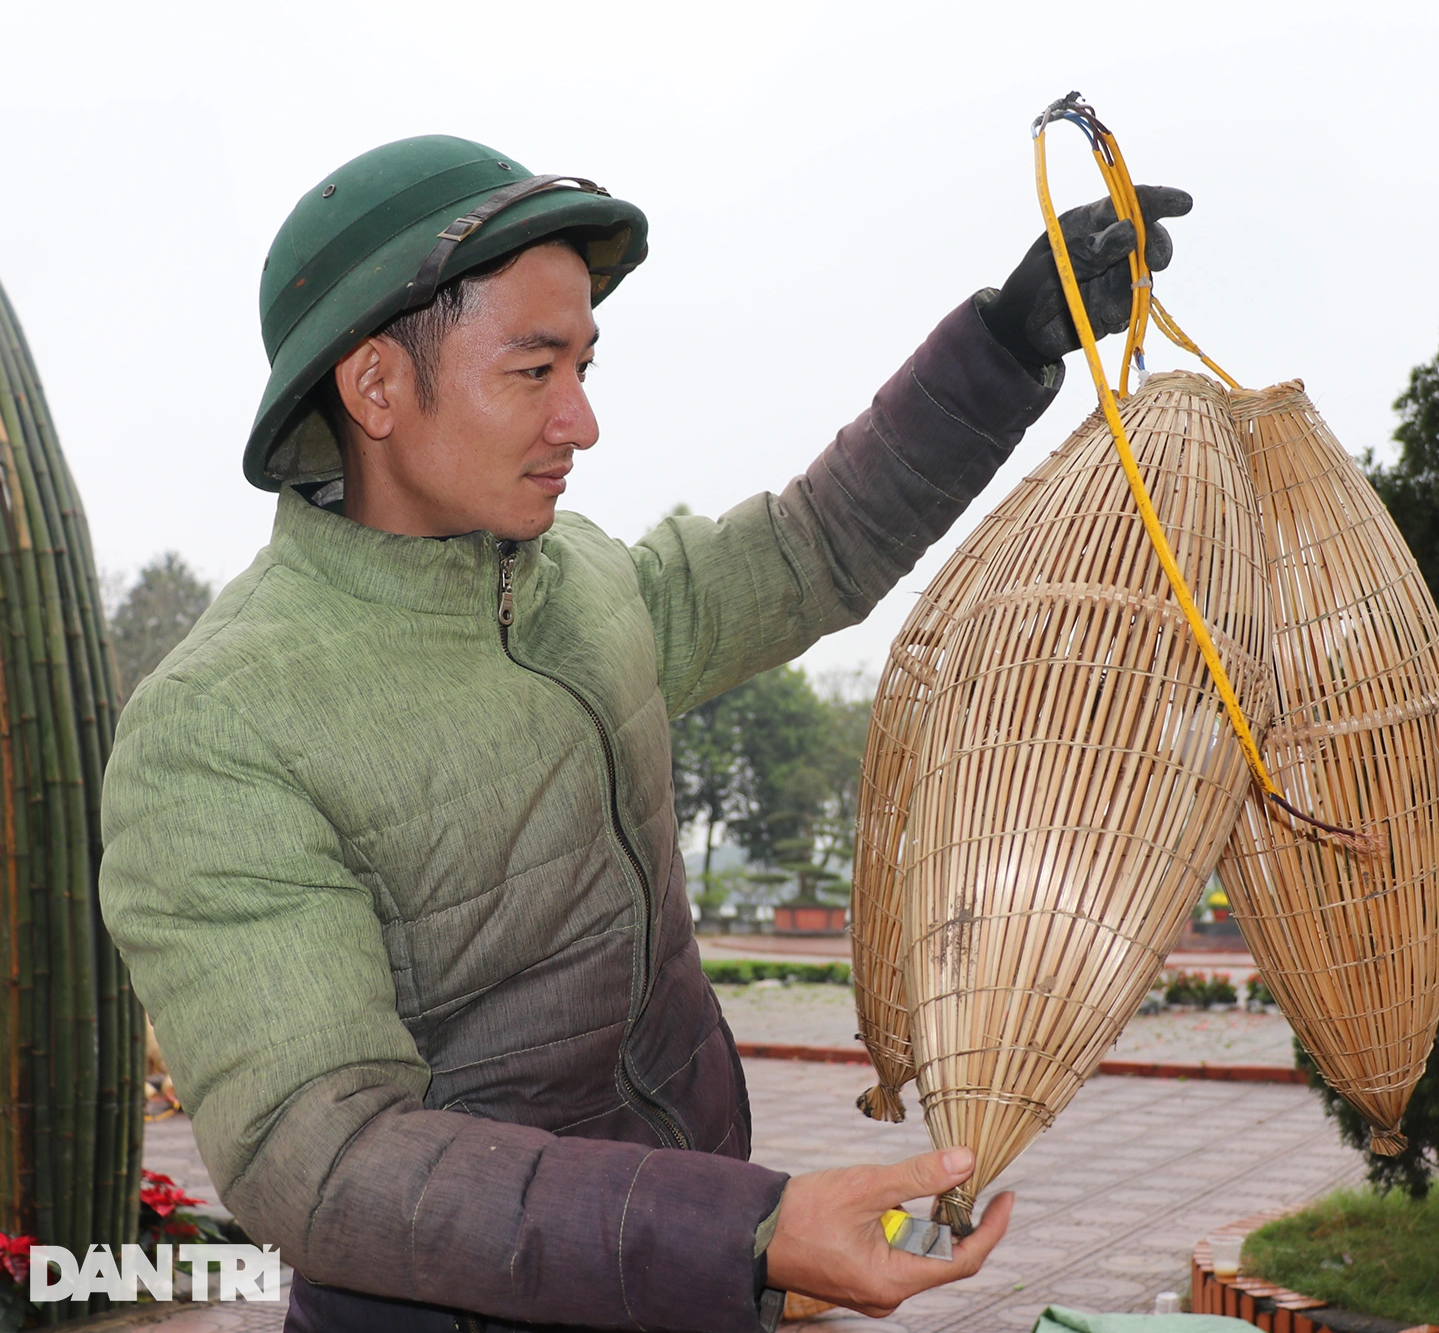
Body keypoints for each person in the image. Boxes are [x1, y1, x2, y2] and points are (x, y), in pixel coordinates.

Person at [98, 134, 1190, 1333]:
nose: (582, 419)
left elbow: (806, 549)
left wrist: (1003, 346)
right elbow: (325, 1158)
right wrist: (744, 1234)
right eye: (533, 370)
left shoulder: (579, 581)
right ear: (373, 386)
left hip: (690, 1282)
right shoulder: (219, 732)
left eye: (585, 363)